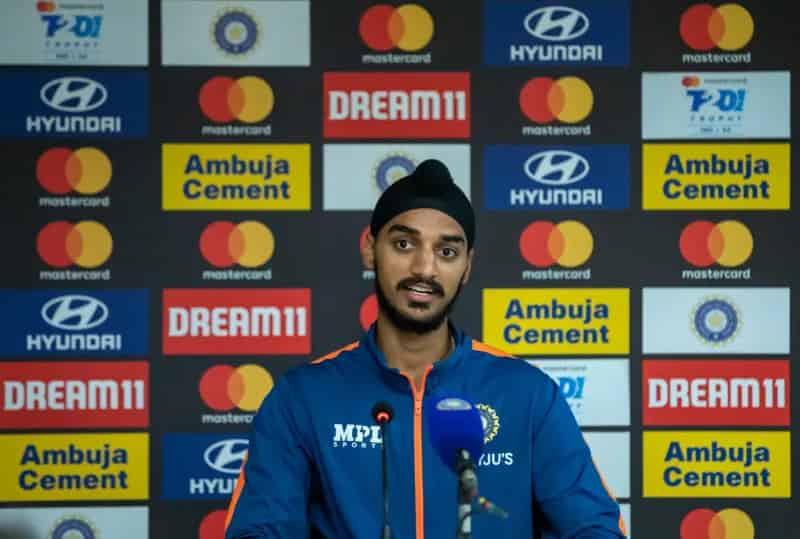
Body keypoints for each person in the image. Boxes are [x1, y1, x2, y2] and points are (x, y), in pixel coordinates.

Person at [224, 159, 628, 538]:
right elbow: (259, 531)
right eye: (404, 245)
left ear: (467, 266)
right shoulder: (302, 397)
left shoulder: (527, 393)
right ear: (370, 249)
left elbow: (594, 529)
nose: (424, 268)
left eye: (446, 252)